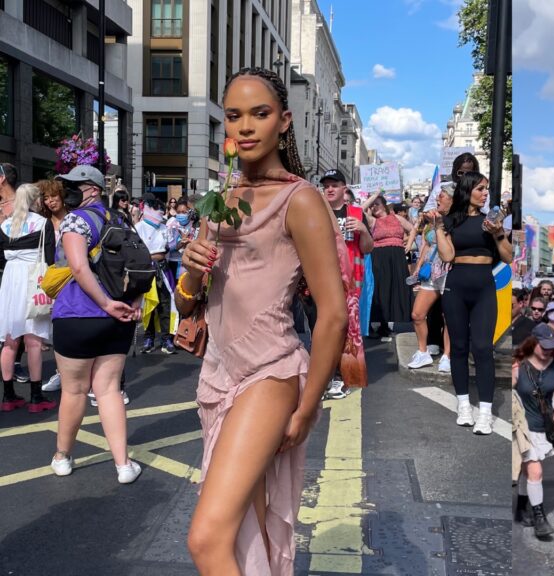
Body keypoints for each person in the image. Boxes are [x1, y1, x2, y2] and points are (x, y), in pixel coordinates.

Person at [178, 67, 348, 576]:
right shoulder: (220, 201)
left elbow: (333, 314)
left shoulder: (301, 200)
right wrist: (189, 273)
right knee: (242, 537)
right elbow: (189, 309)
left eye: (260, 113)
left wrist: (309, 406)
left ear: (284, 121)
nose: (246, 126)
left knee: (206, 540)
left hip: (269, 374)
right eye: (234, 116)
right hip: (217, 376)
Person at [48, 164, 142, 483]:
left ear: (93, 189)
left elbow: (76, 266)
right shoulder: (122, 219)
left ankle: (62, 456)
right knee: (109, 390)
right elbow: (141, 265)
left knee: (74, 391)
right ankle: (123, 465)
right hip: (119, 317)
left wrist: (102, 302)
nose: (69, 191)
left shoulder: (76, 220)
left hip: (77, 314)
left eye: (77, 185)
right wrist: (132, 305)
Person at [434, 171, 513, 435]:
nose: (485, 193)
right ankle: (464, 405)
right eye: (480, 188)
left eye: (487, 189)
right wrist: (438, 228)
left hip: (483, 288)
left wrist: (498, 233)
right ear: (468, 191)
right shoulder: (449, 221)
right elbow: (447, 255)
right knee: (458, 347)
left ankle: (486, 413)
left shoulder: (491, 222)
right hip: (455, 286)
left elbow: (509, 257)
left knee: (482, 348)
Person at [315, 171, 372, 399]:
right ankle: (323, 376)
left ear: (344, 188)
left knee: (344, 330)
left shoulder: (356, 213)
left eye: (334, 185)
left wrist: (363, 230)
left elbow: (368, 248)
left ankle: (340, 376)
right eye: (326, 186)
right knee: (321, 329)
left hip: (349, 282)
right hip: (320, 279)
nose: (329, 189)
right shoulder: (315, 213)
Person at [0, 184, 55, 413]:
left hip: (10, 281)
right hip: (34, 279)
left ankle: (8, 396)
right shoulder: (43, 224)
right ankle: (35, 396)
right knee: (34, 341)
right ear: (36, 200)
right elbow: (50, 258)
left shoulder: (4, 225)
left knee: (10, 340)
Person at [512, 324, 554, 539]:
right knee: (536, 472)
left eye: (551, 347)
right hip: (523, 428)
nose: (547, 351)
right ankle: (540, 519)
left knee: (528, 472)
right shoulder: (517, 366)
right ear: (533, 343)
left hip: (544, 425)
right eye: (544, 346)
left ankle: (520, 508)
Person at [407, 186, 453, 371]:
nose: (437, 199)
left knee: (449, 316)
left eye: (441, 196)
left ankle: (447, 356)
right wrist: (417, 269)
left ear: (452, 200)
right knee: (417, 314)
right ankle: (423, 352)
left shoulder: (456, 220)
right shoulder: (431, 217)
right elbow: (426, 244)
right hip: (431, 272)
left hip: (449, 271)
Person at [363, 191, 414, 341]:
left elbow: (412, 229)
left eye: (377, 204)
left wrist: (409, 245)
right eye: (372, 205)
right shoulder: (372, 221)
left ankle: (386, 324)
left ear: (384, 205)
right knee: (380, 290)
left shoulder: (396, 218)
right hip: (379, 258)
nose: (374, 207)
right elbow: (359, 210)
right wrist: (374, 195)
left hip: (397, 258)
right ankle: (373, 324)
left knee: (394, 290)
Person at [38, 179, 68, 392]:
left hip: (74, 278)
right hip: (51, 279)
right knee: (57, 328)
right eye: (46, 198)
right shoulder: (42, 222)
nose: (50, 202)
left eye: (53, 196)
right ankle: (61, 373)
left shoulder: (75, 217)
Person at [137, 196, 175, 354]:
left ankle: (166, 338)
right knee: (148, 306)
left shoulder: (164, 227)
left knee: (165, 305)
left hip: (163, 269)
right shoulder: (139, 227)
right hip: (146, 269)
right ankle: (149, 337)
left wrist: (177, 243)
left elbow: (170, 246)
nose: (160, 213)